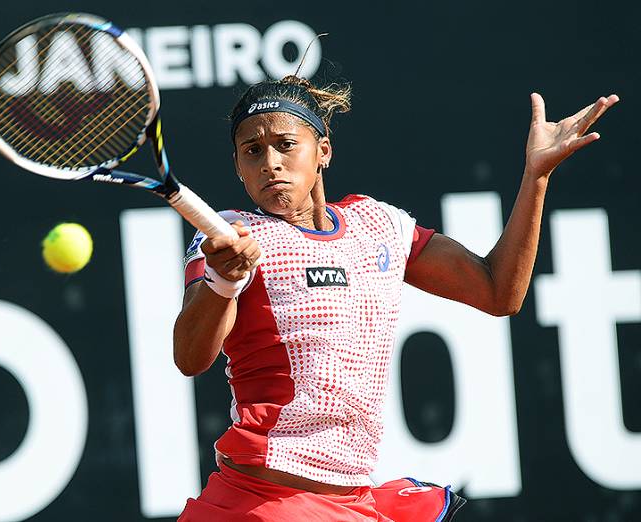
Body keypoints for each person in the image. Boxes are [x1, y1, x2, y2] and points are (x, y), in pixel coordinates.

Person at [173, 75, 618, 521]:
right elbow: (190, 358)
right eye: (253, 151)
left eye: (286, 144)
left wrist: (536, 176)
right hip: (261, 503)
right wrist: (222, 280)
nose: (270, 162)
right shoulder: (230, 235)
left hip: (353, 499)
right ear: (237, 165)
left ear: (323, 151)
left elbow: (498, 292)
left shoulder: (379, 225)